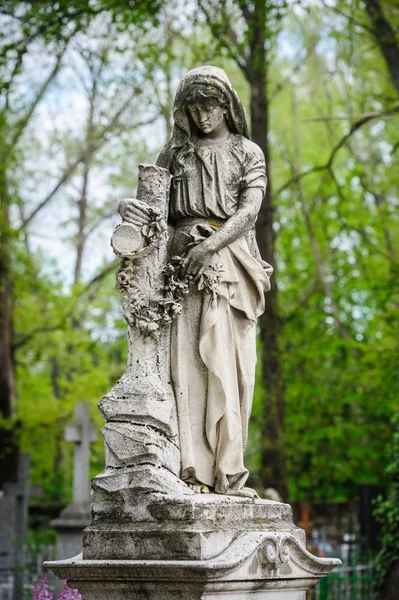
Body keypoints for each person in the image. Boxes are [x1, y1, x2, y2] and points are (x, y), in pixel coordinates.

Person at [119, 66, 273, 497]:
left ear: (227, 106)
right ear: (183, 112)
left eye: (211, 105)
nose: (204, 115)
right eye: (195, 107)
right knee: (188, 368)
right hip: (182, 267)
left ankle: (228, 470)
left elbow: (248, 211)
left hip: (233, 266)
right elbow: (153, 212)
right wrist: (128, 208)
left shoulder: (247, 152)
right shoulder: (175, 157)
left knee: (231, 367)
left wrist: (211, 246)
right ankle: (192, 471)